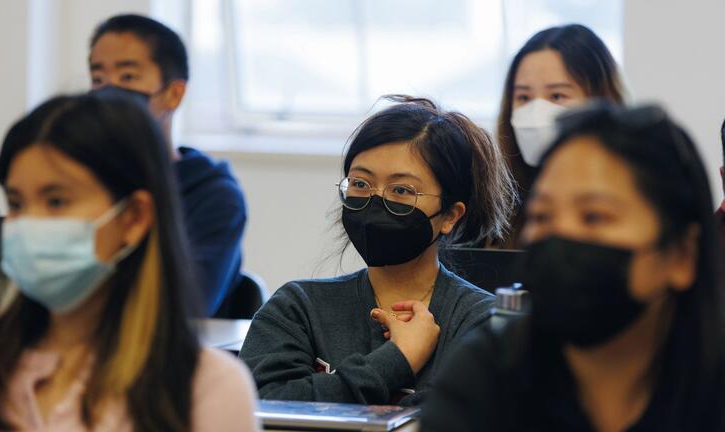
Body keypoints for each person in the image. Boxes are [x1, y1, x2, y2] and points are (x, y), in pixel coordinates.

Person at [0, 93, 259, 431]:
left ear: (133, 218)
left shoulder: (206, 388)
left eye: (56, 201)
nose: (28, 224)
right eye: (16, 204)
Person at [421, 102, 725, 431]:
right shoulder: (485, 377)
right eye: (542, 217)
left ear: (681, 256)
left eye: (594, 216)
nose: (561, 235)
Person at [239, 95, 516, 405]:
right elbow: (259, 405)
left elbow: (463, 417)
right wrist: (396, 360)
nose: (374, 201)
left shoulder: (484, 322)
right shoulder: (298, 308)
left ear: (450, 216)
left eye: (401, 190)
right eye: (360, 183)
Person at [89, 14, 247, 316]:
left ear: (174, 94)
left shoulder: (215, 196)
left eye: (127, 77)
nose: (108, 91)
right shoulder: (85, 180)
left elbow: (190, 305)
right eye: (98, 79)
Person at [495, 24, 626, 247]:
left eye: (557, 95)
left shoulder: (635, 196)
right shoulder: (498, 207)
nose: (536, 111)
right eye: (524, 97)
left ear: (602, 100)